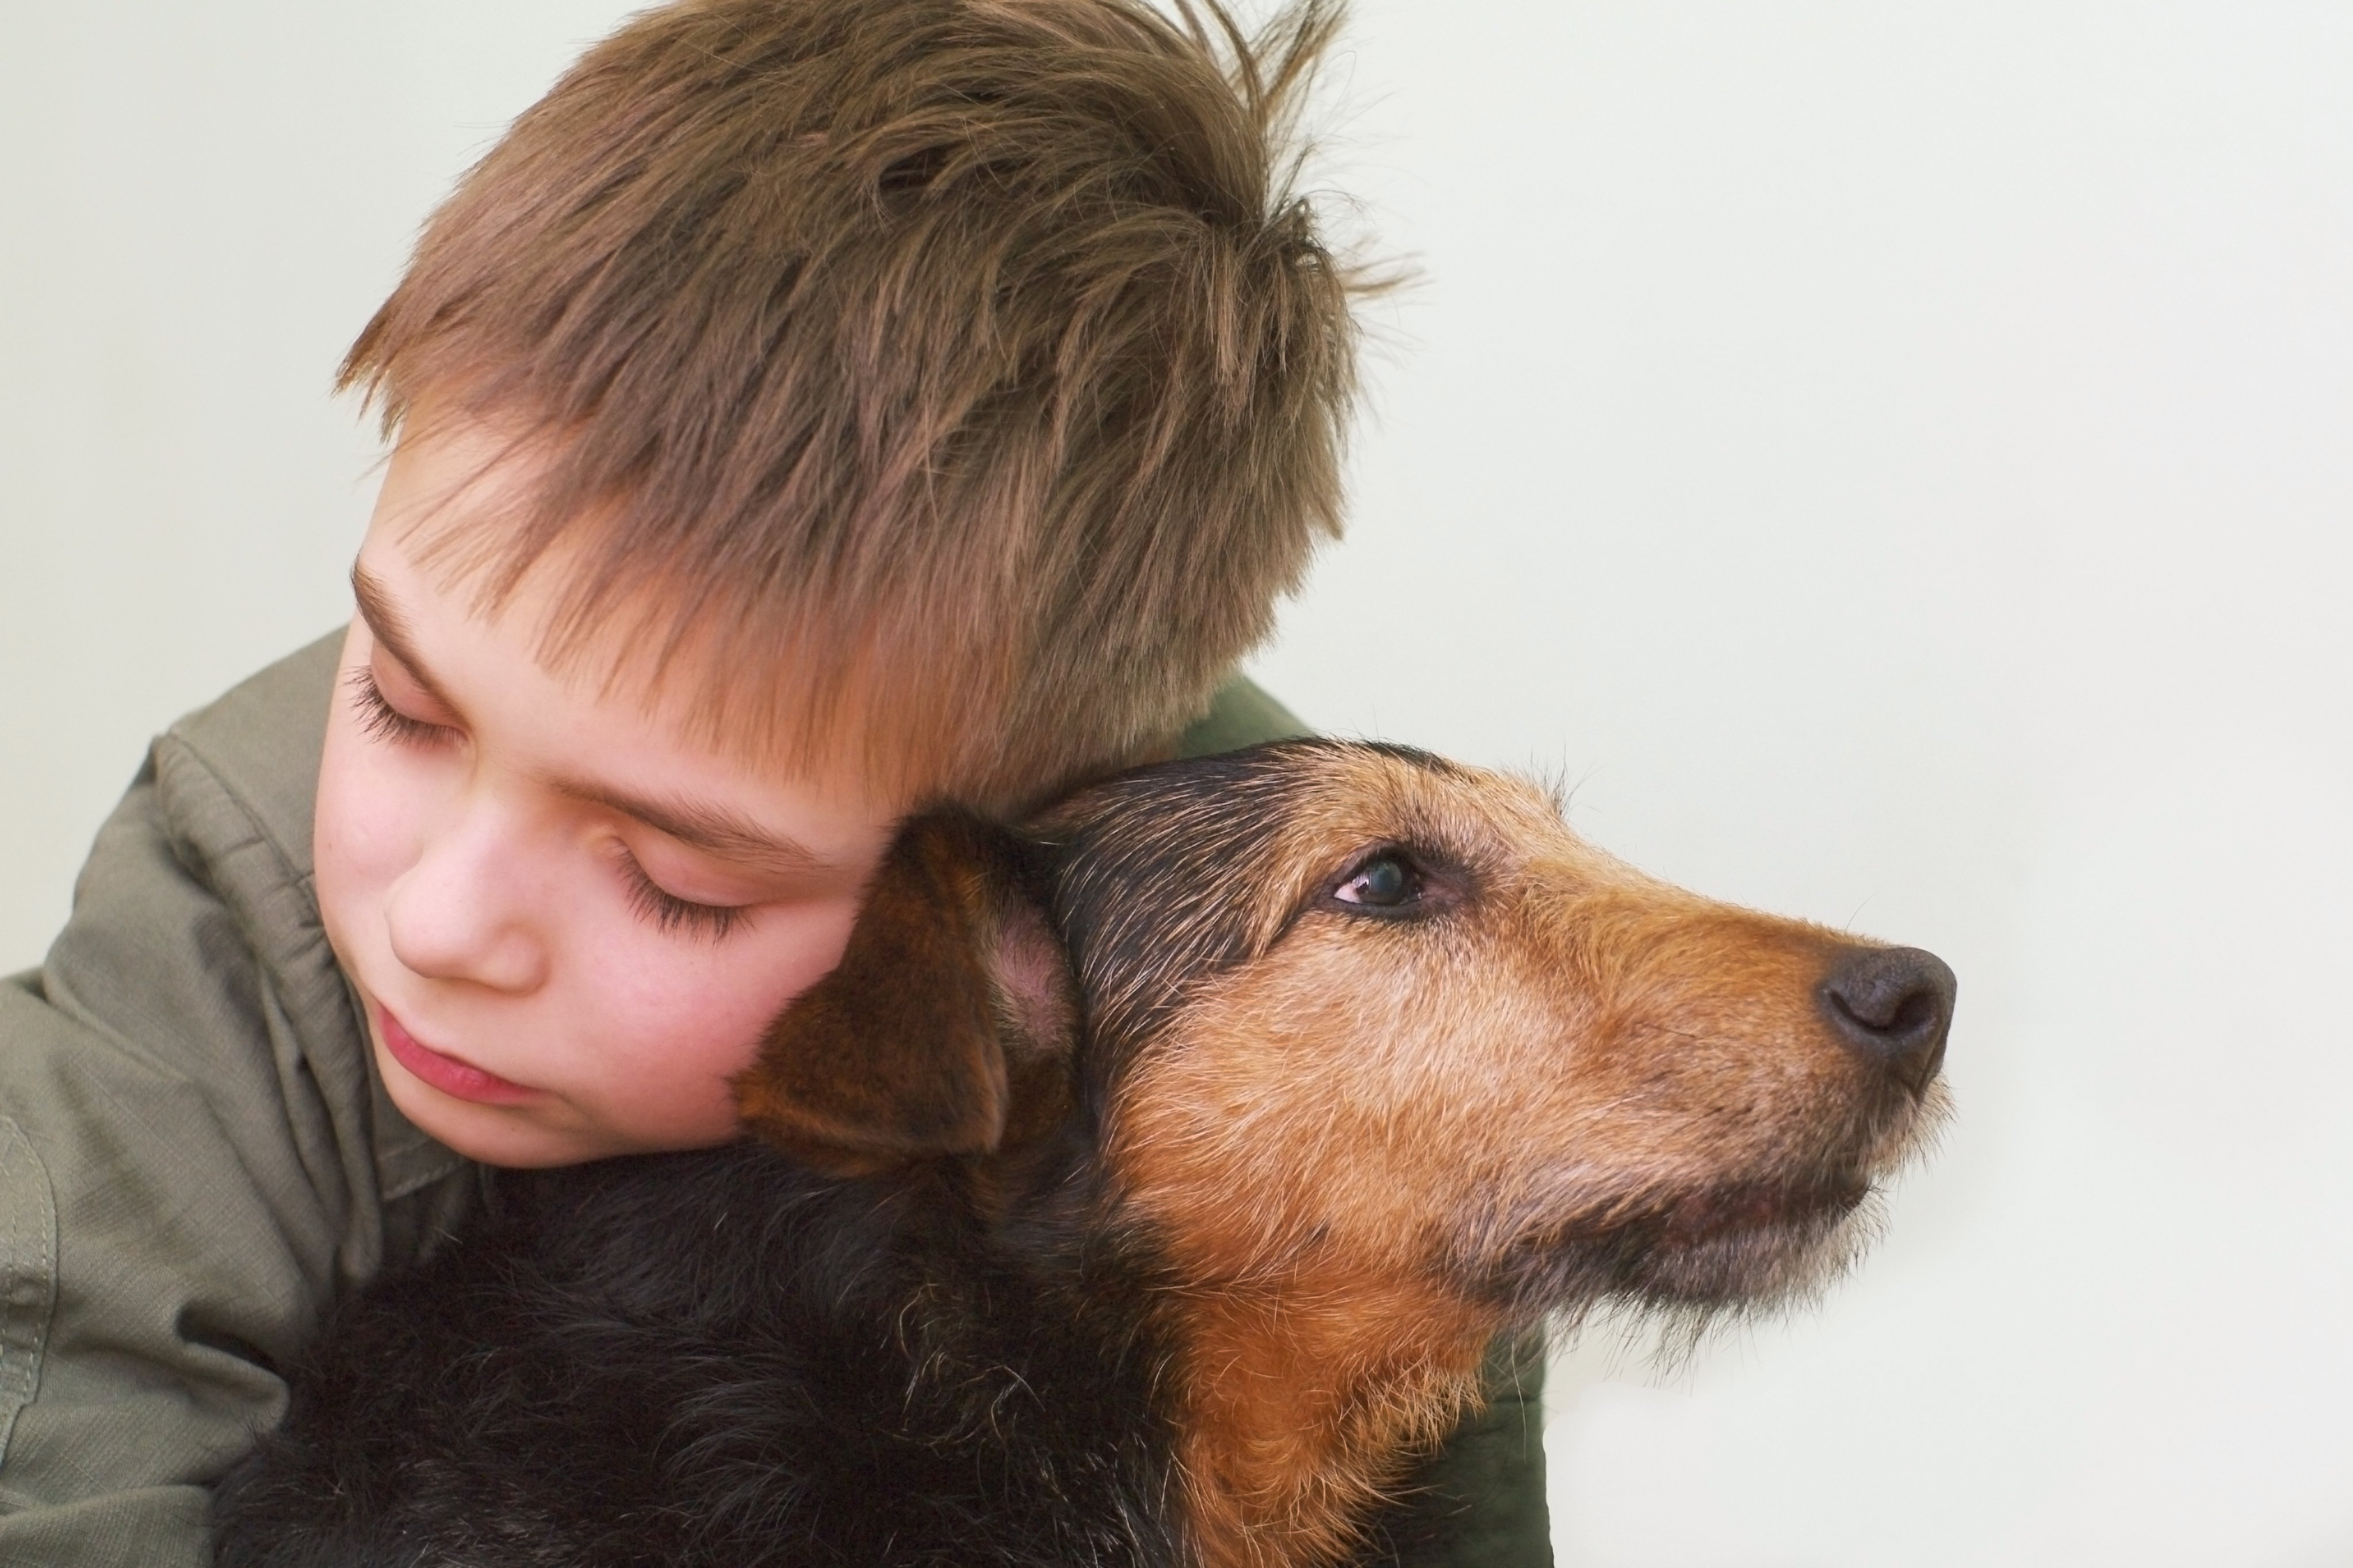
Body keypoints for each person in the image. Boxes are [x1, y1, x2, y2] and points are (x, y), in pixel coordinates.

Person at [0, 0, 1548, 1560]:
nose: (442, 917)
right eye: (403, 706)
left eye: (680, 881)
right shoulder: (214, 949)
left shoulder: (1302, 1026)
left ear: (1011, 902)